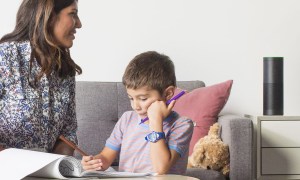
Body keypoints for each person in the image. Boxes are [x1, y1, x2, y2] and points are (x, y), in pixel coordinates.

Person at [81, 51, 194, 175]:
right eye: (131, 98)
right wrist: (94, 162)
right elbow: (106, 158)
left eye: (143, 99)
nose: (135, 106)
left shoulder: (182, 125)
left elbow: (160, 169)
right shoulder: (127, 119)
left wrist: (156, 122)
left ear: (168, 94)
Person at [0, 0, 82, 156]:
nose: (79, 24)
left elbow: (68, 132)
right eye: (73, 14)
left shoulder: (65, 69)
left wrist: (58, 167)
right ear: (48, 16)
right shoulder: (5, 56)